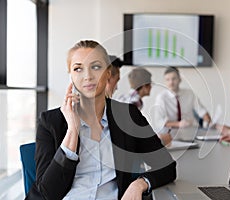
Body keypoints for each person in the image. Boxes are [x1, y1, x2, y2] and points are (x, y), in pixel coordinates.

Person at [26, 40, 176, 200]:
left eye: (96, 67)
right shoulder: (50, 122)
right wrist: (72, 130)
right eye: (78, 69)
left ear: (108, 73)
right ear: (71, 76)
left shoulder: (128, 116)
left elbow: (166, 166)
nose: (88, 76)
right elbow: (47, 193)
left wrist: (139, 184)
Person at [153, 67, 211, 137]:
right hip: (170, 132)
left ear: (179, 79)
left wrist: (208, 121)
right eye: (167, 80)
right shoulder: (161, 98)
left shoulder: (189, 93)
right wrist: (178, 124)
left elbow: (202, 111)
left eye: (174, 79)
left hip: (191, 130)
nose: (171, 82)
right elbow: (159, 121)